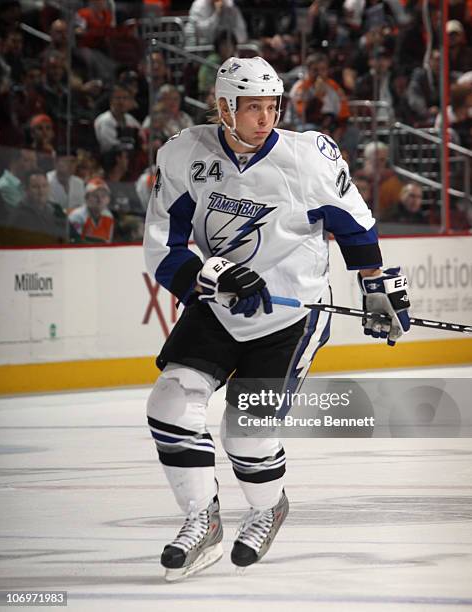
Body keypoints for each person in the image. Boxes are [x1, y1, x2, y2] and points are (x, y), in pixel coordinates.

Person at [143, 56, 411, 582]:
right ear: (224, 107)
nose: (264, 118)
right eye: (251, 108)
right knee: (170, 403)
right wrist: (214, 275)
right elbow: (163, 248)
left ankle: (266, 508)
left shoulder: (307, 157)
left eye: (271, 106)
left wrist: (375, 287)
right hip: (218, 308)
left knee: (245, 434)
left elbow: (355, 226)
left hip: (292, 318)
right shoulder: (184, 155)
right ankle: (203, 521)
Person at [8, 170, 67, 245]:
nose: (41, 191)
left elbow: (69, 235)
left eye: (44, 186)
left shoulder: (56, 209)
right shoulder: (20, 216)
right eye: (35, 187)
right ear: (26, 189)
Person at [68, 176, 114, 243]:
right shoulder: (77, 216)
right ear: (86, 198)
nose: (100, 200)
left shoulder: (109, 216)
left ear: (108, 199)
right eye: (95, 196)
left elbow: (107, 243)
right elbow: (75, 242)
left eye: (103, 196)